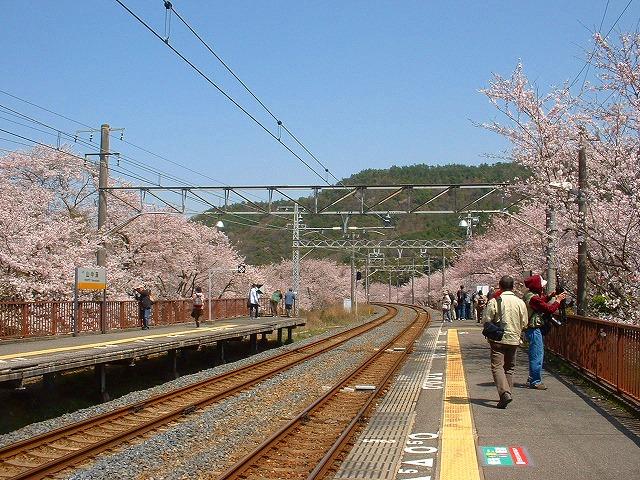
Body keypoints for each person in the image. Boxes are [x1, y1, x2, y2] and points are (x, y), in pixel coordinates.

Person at [483, 275, 528, 409]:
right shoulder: (520, 302)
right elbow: (524, 322)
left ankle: (504, 394)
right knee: (509, 368)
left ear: (500, 286)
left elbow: (487, 319)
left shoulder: (495, 301)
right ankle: (507, 393)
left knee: (497, 367)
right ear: (513, 287)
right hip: (514, 339)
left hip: (498, 338)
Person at [523, 274, 566, 390]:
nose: (542, 287)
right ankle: (536, 381)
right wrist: (558, 300)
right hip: (534, 329)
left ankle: (532, 378)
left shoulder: (529, 295)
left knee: (534, 354)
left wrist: (549, 296)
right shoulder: (534, 298)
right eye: (541, 286)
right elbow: (549, 309)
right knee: (537, 355)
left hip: (530, 329)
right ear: (537, 286)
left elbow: (539, 303)